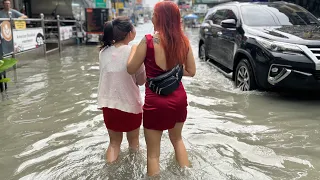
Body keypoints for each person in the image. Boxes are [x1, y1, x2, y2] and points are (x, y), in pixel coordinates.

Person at [127, 1, 196, 176]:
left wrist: (135, 52)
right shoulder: (184, 41)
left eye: (154, 14)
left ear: (160, 18)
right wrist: (172, 71)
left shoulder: (148, 41)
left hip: (156, 102)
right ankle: (186, 175)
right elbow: (191, 71)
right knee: (178, 139)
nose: (151, 17)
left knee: (152, 155)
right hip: (179, 98)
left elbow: (131, 69)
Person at [97, 16, 146, 163]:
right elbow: (142, 81)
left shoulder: (103, 52)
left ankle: (110, 172)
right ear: (129, 33)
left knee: (113, 143)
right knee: (134, 143)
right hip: (130, 105)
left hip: (108, 105)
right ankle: (133, 171)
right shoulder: (133, 51)